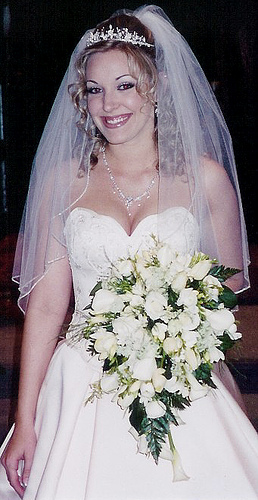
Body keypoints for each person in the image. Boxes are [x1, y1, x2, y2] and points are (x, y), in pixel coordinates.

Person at [0, 5, 258, 499]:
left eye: (125, 85)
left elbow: (221, 297)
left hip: (181, 386)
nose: (108, 104)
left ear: (156, 86)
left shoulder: (206, 179)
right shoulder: (63, 182)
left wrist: (173, 335)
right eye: (94, 89)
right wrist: (25, 421)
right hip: (80, 386)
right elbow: (50, 307)